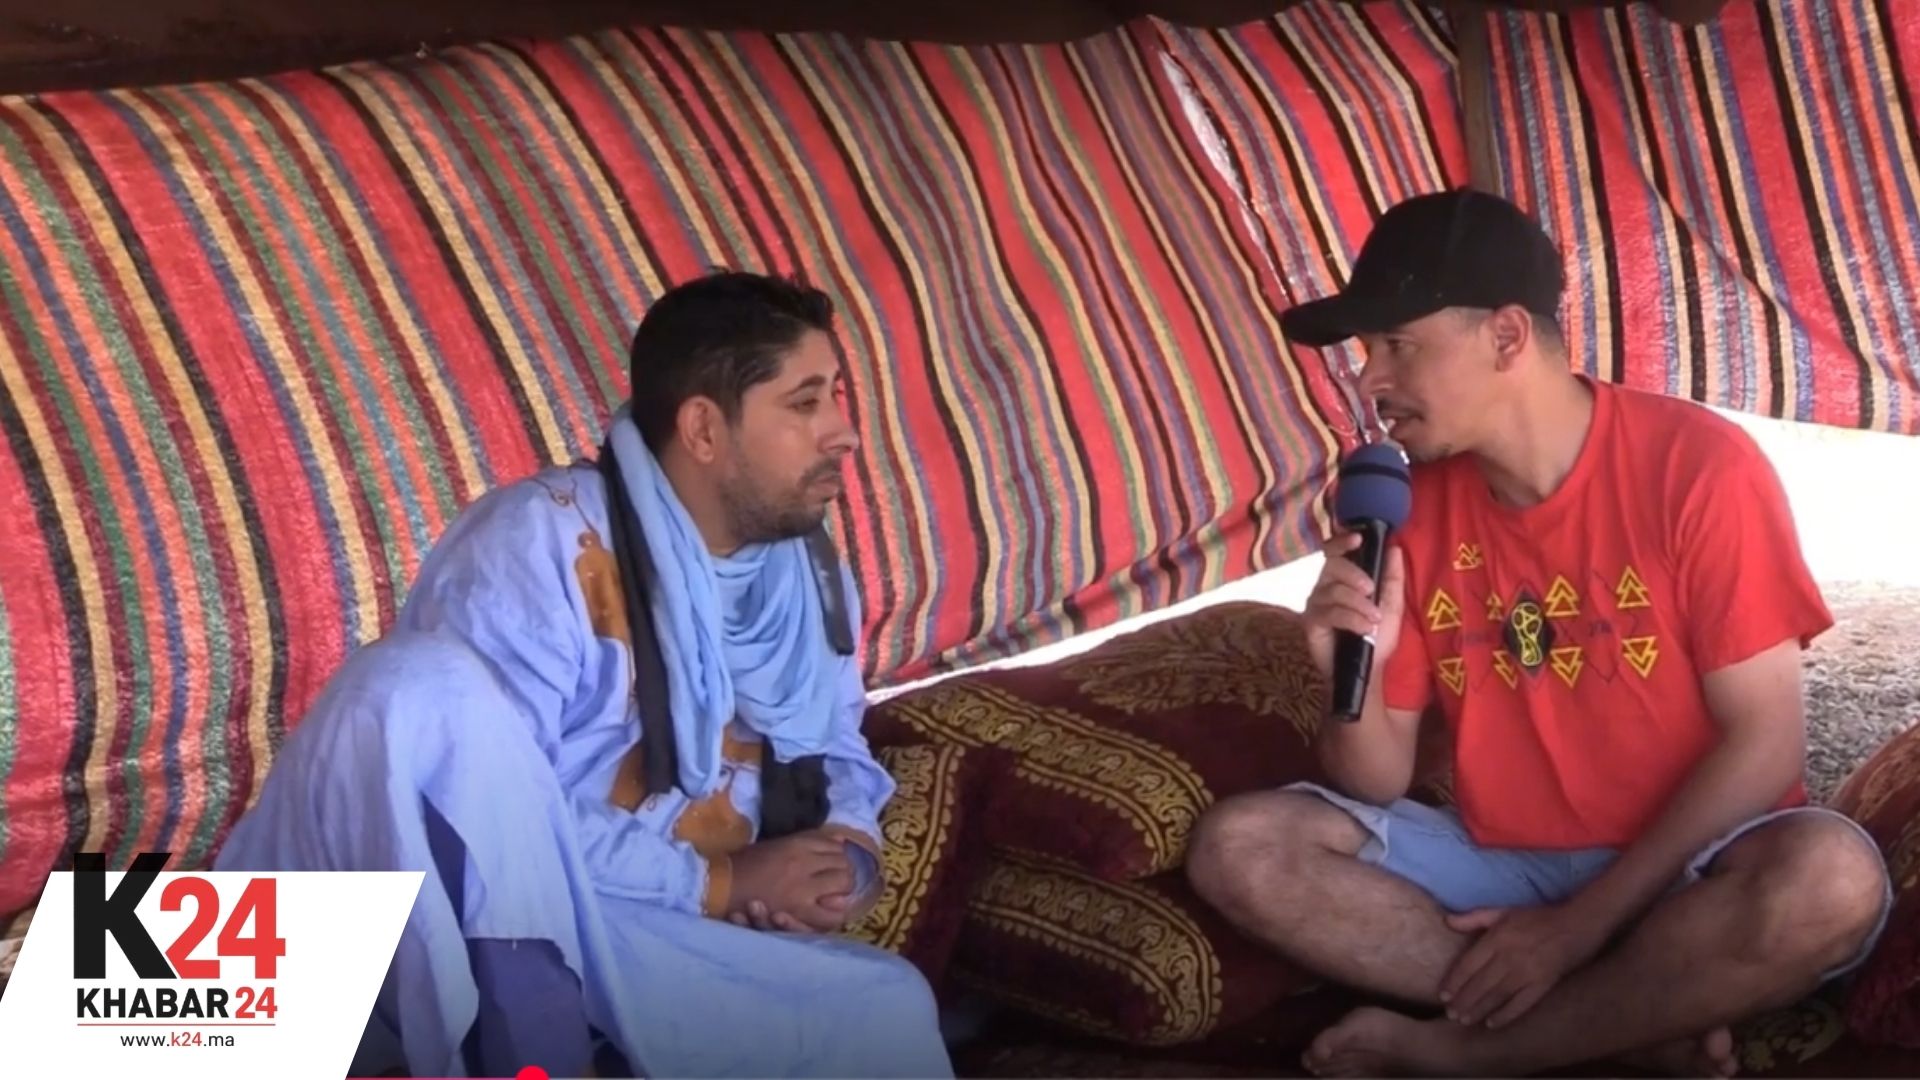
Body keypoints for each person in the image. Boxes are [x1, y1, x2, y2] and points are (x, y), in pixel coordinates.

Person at [1183, 189, 1893, 1078]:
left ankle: (1479, 1053)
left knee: (1830, 881)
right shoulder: (1407, 511)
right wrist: (1346, 666)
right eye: (1368, 352)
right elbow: (1376, 780)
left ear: (1507, 336)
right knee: (1243, 848)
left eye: (1397, 344)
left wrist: (1574, 930)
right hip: (1505, 866)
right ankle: (1631, 1021)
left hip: (1696, 866)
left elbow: (1765, 744)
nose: (1369, 381)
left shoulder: (1698, 468)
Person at [215, 271, 952, 1079]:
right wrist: (713, 883)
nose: (844, 433)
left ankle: (546, 1028)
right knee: (414, 685)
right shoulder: (544, 543)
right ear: (705, 430)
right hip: (474, 904)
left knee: (885, 1012)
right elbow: (469, 805)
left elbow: (837, 744)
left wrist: (845, 857)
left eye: (836, 397)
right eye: (806, 403)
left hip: (633, 931)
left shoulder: (810, 582)